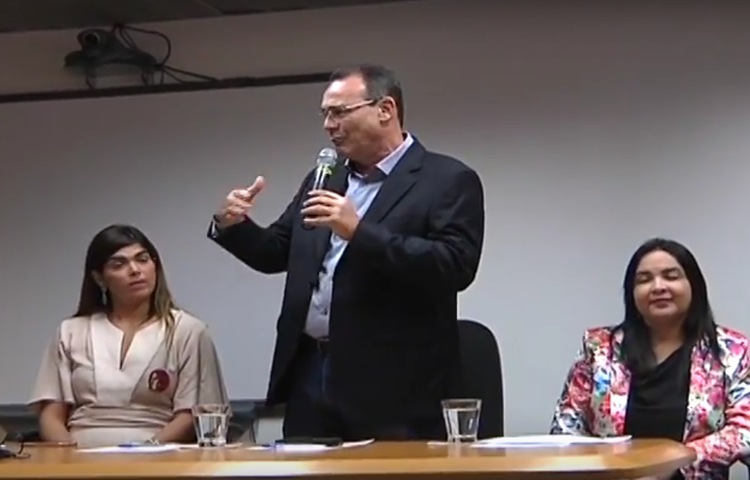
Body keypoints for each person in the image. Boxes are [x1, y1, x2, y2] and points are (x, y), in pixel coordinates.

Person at [208, 64, 485, 440]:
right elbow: (278, 251)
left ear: (385, 109)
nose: (328, 125)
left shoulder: (446, 180)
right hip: (310, 372)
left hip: (394, 384)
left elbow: (454, 265)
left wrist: (359, 232)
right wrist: (232, 225)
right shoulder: (326, 178)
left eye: (339, 112)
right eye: (325, 114)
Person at [550, 237, 750, 480]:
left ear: (694, 286)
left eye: (671, 276)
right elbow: (565, 428)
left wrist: (676, 460)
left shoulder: (732, 350)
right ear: (632, 293)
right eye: (644, 280)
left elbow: (744, 429)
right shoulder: (598, 347)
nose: (658, 287)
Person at [29, 224, 228, 448]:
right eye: (119, 264)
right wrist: (70, 457)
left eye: (142, 260)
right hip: (79, 452)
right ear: (99, 278)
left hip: (158, 453)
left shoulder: (187, 330)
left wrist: (144, 450)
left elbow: (191, 415)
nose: (135, 270)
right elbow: (51, 416)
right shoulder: (71, 331)